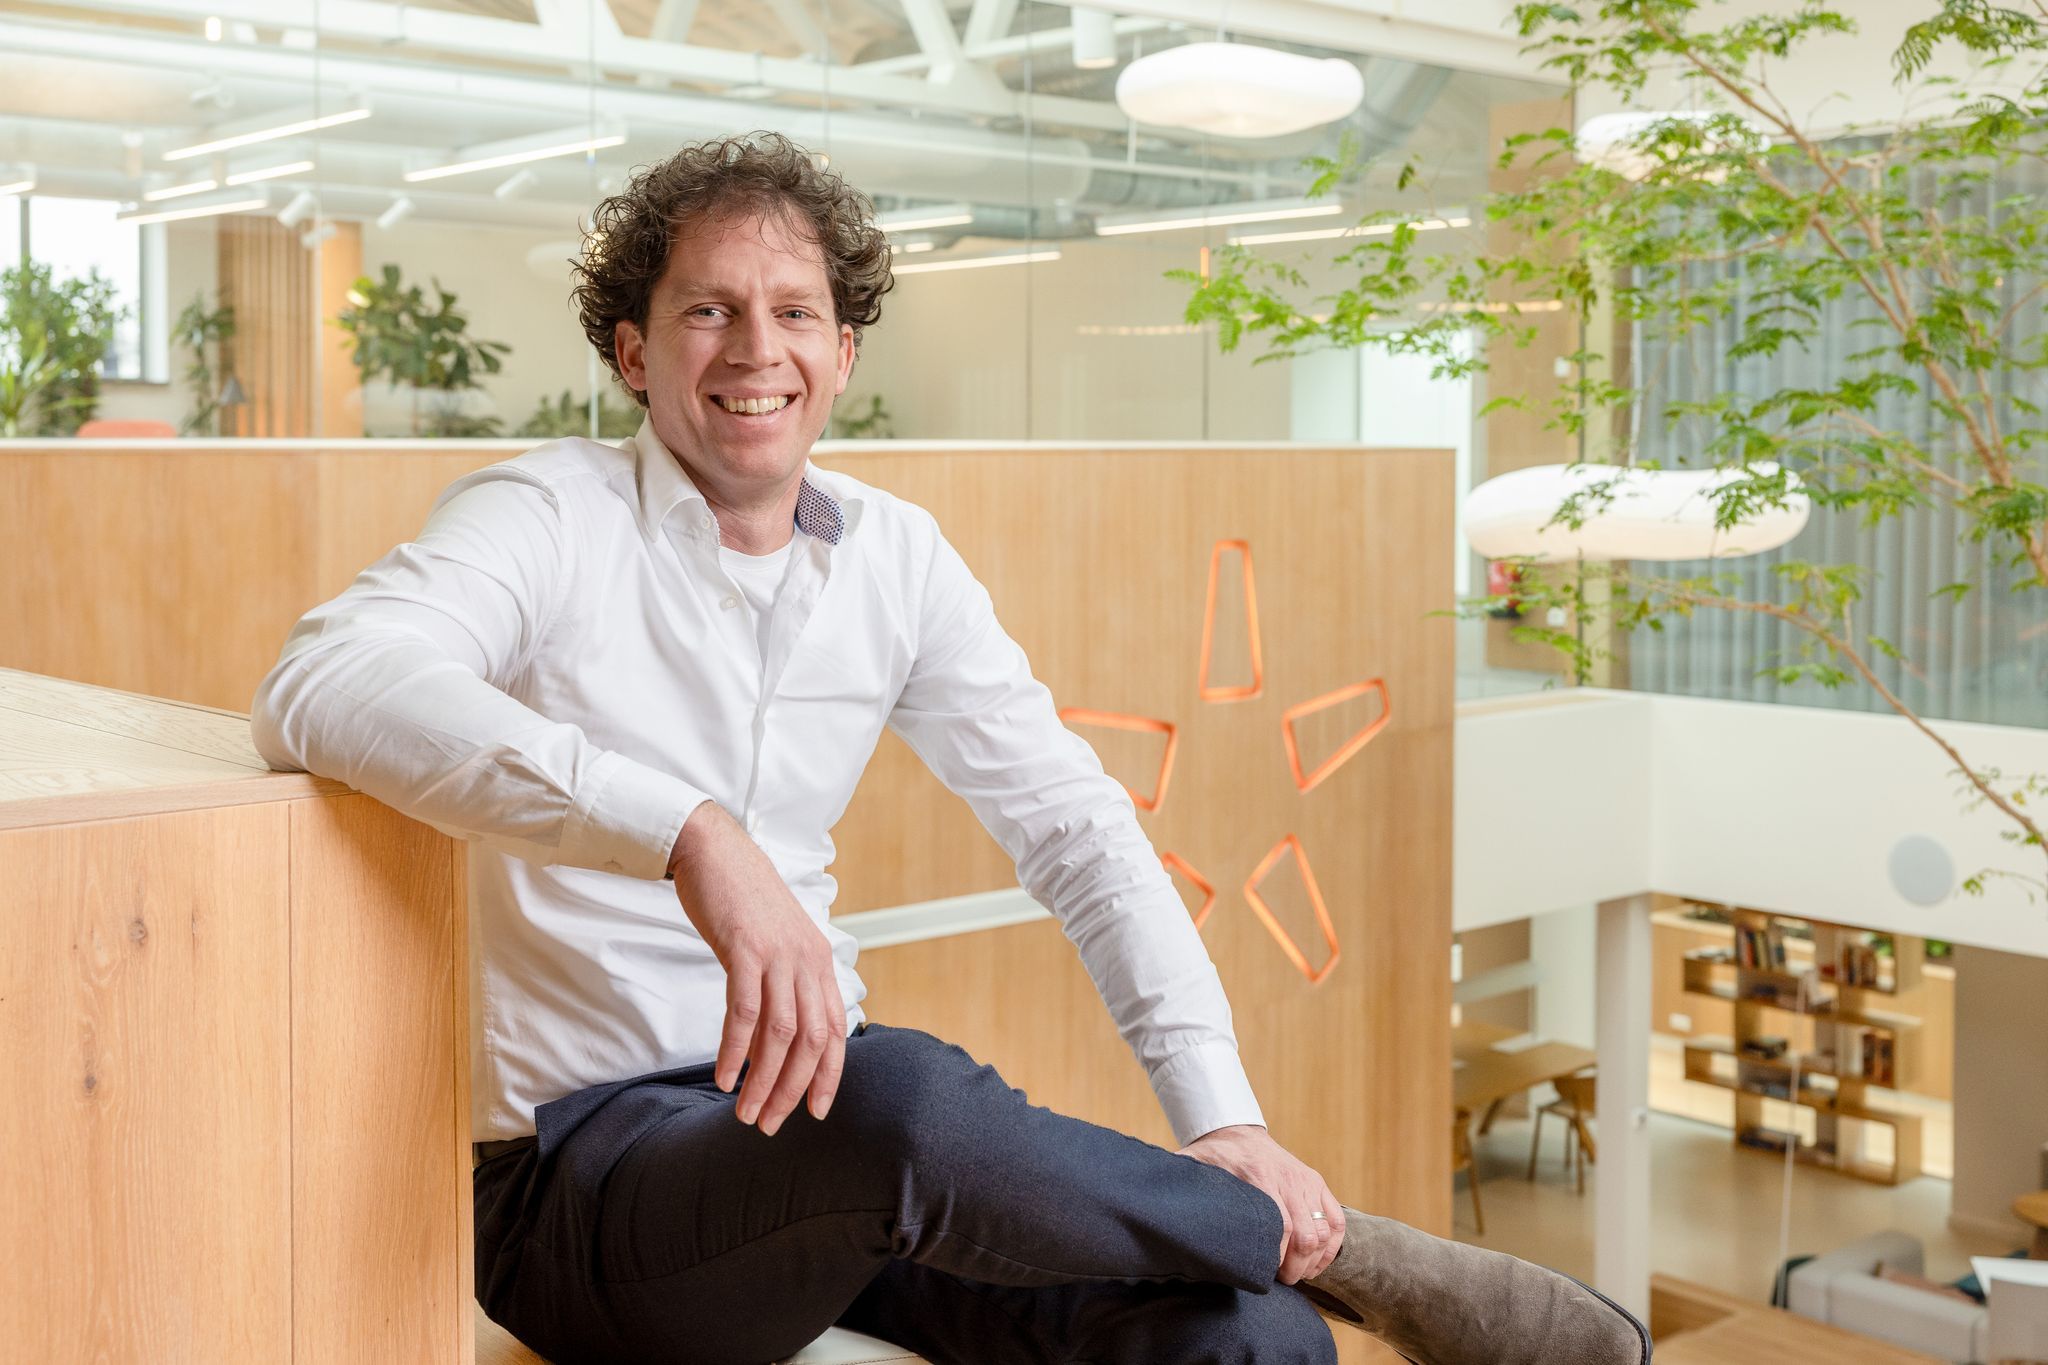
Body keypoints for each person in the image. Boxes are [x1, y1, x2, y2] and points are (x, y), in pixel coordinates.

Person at [251, 132, 1648, 1365]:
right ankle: (1333, 1247)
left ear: (842, 354)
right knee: (900, 1095)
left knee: (1248, 1337)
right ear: (633, 351)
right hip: (583, 1185)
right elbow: (324, 678)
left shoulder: (896, 556)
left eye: (795, 312)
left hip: (815, 1143)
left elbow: (1078, 833)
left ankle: (1271, 1244)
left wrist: (1222, 1114)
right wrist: (687, 832)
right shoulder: (547, 514)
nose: (755, 349)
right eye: (708, 310)